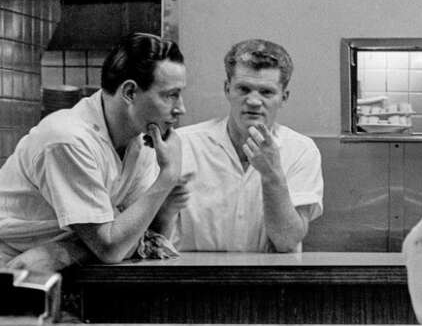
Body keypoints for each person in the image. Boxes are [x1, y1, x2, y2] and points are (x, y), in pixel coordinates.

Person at [0, 32, 188, 270]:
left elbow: (143, 239)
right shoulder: (68, 139)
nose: (181, 108)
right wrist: (168, 177)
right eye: (171, 95)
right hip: (12, 276)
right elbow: (111, 248)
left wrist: (63, 252)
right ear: (130, 92)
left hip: (52, 268)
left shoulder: (141, 142)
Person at [174, 39, 323, 252]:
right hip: (195, 280)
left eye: (266, 92)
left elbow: (287, 241)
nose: (253, 101)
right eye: (244, 89)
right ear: (227, 89)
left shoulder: (301, 151)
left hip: (270, 282)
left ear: (284, 97)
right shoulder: (185, 144)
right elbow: (160, 235)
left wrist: (272, 175)